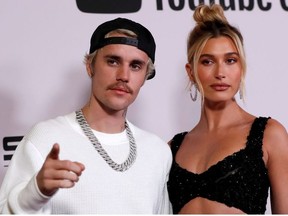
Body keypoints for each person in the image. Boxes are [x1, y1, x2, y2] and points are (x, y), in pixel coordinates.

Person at [0, 17, 172, 214]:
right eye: (113, 61)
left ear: (144, 77)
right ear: (90, 66)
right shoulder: (45, 138)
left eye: (135, 66)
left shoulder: (157, 151)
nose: (124, 75)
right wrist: (34, 194)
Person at [167, 4, 288, 214]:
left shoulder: (269, 134)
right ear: (191, 72)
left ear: (241, 68)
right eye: (207, 62)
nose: (220, 72)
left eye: (230, 60)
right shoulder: (172, 148)